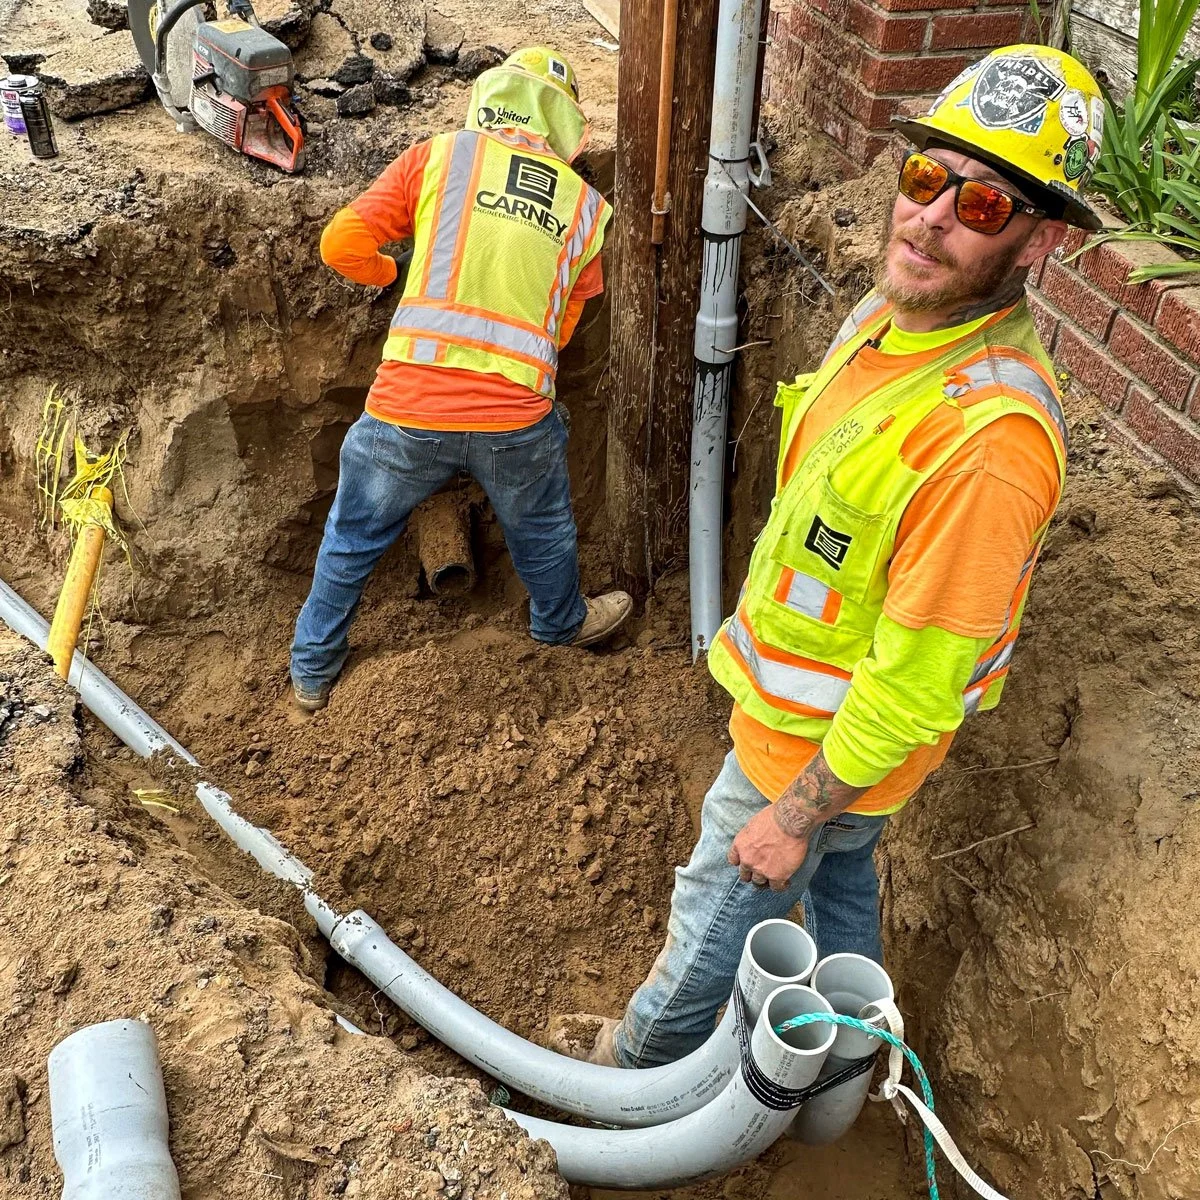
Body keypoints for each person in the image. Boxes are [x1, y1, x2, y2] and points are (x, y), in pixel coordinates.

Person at [548, 44, 1104, 1067]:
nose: (931, 215)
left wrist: (794, 811)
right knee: (843, 885)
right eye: (926, 179)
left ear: (1037, 244)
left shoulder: (989, 443)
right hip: (820, 744)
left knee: (713, 913)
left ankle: (623, 1083)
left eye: (980, 206)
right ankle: (845, 1069)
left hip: (809, 758)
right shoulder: (891, 320)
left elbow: (920, 684)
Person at [290, 47, 632, 712]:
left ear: (490, 100)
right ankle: (560, 625)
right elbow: (559, 334)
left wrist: (391, 275)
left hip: (406, 405)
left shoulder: (438, 157)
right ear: (564, 127)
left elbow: (340, 245)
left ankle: (311, 671)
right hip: (514, 418)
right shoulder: (587, 208)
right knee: (543, 529)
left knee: (353, 535)